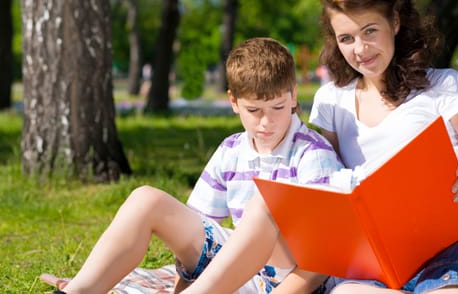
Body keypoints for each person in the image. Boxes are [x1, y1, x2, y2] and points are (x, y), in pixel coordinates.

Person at [181, 0, 458, 294]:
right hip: (387, 252)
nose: (360, 49)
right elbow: (320, 191)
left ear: (395, 22)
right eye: (347, 38)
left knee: (444, 282)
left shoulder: (443, 85)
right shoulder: (333, 99)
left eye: (370, 31)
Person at [42, 37, 344, 294]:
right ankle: (80, 289)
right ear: (234, 102)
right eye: (254, 110)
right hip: (236, 272)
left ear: (293, 96)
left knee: (266, 201)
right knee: (146, 198)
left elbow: (323, 257)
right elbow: (194, 230)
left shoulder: (312, 154)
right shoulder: (231, 150)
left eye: (278, 107)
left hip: (288, 279)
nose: (266, 121)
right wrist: (180, 286)